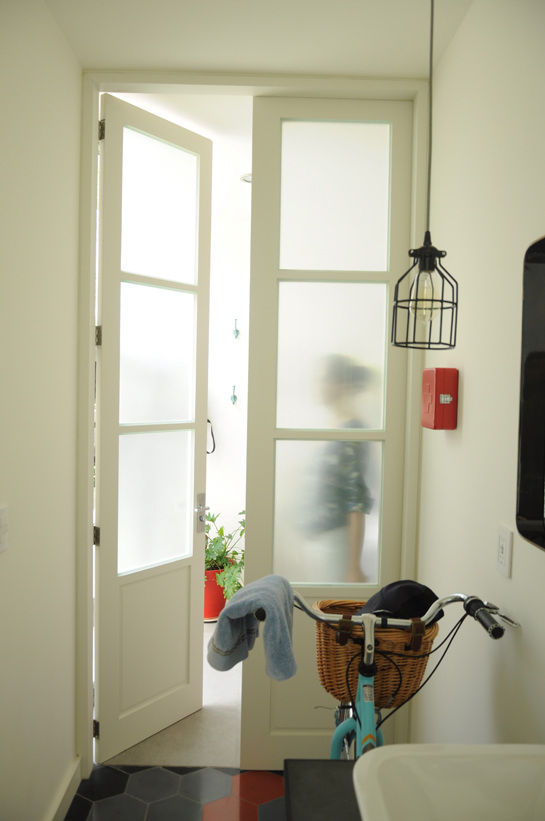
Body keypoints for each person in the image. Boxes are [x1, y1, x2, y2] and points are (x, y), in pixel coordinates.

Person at [299, 354, 374, 583]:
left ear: (342, 385)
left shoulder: (353, 429)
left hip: (334, 543)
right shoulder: (335, 424)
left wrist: (354, 566)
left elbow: (355, 500)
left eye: (323, 379)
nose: (317, 386)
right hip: (319, 541)